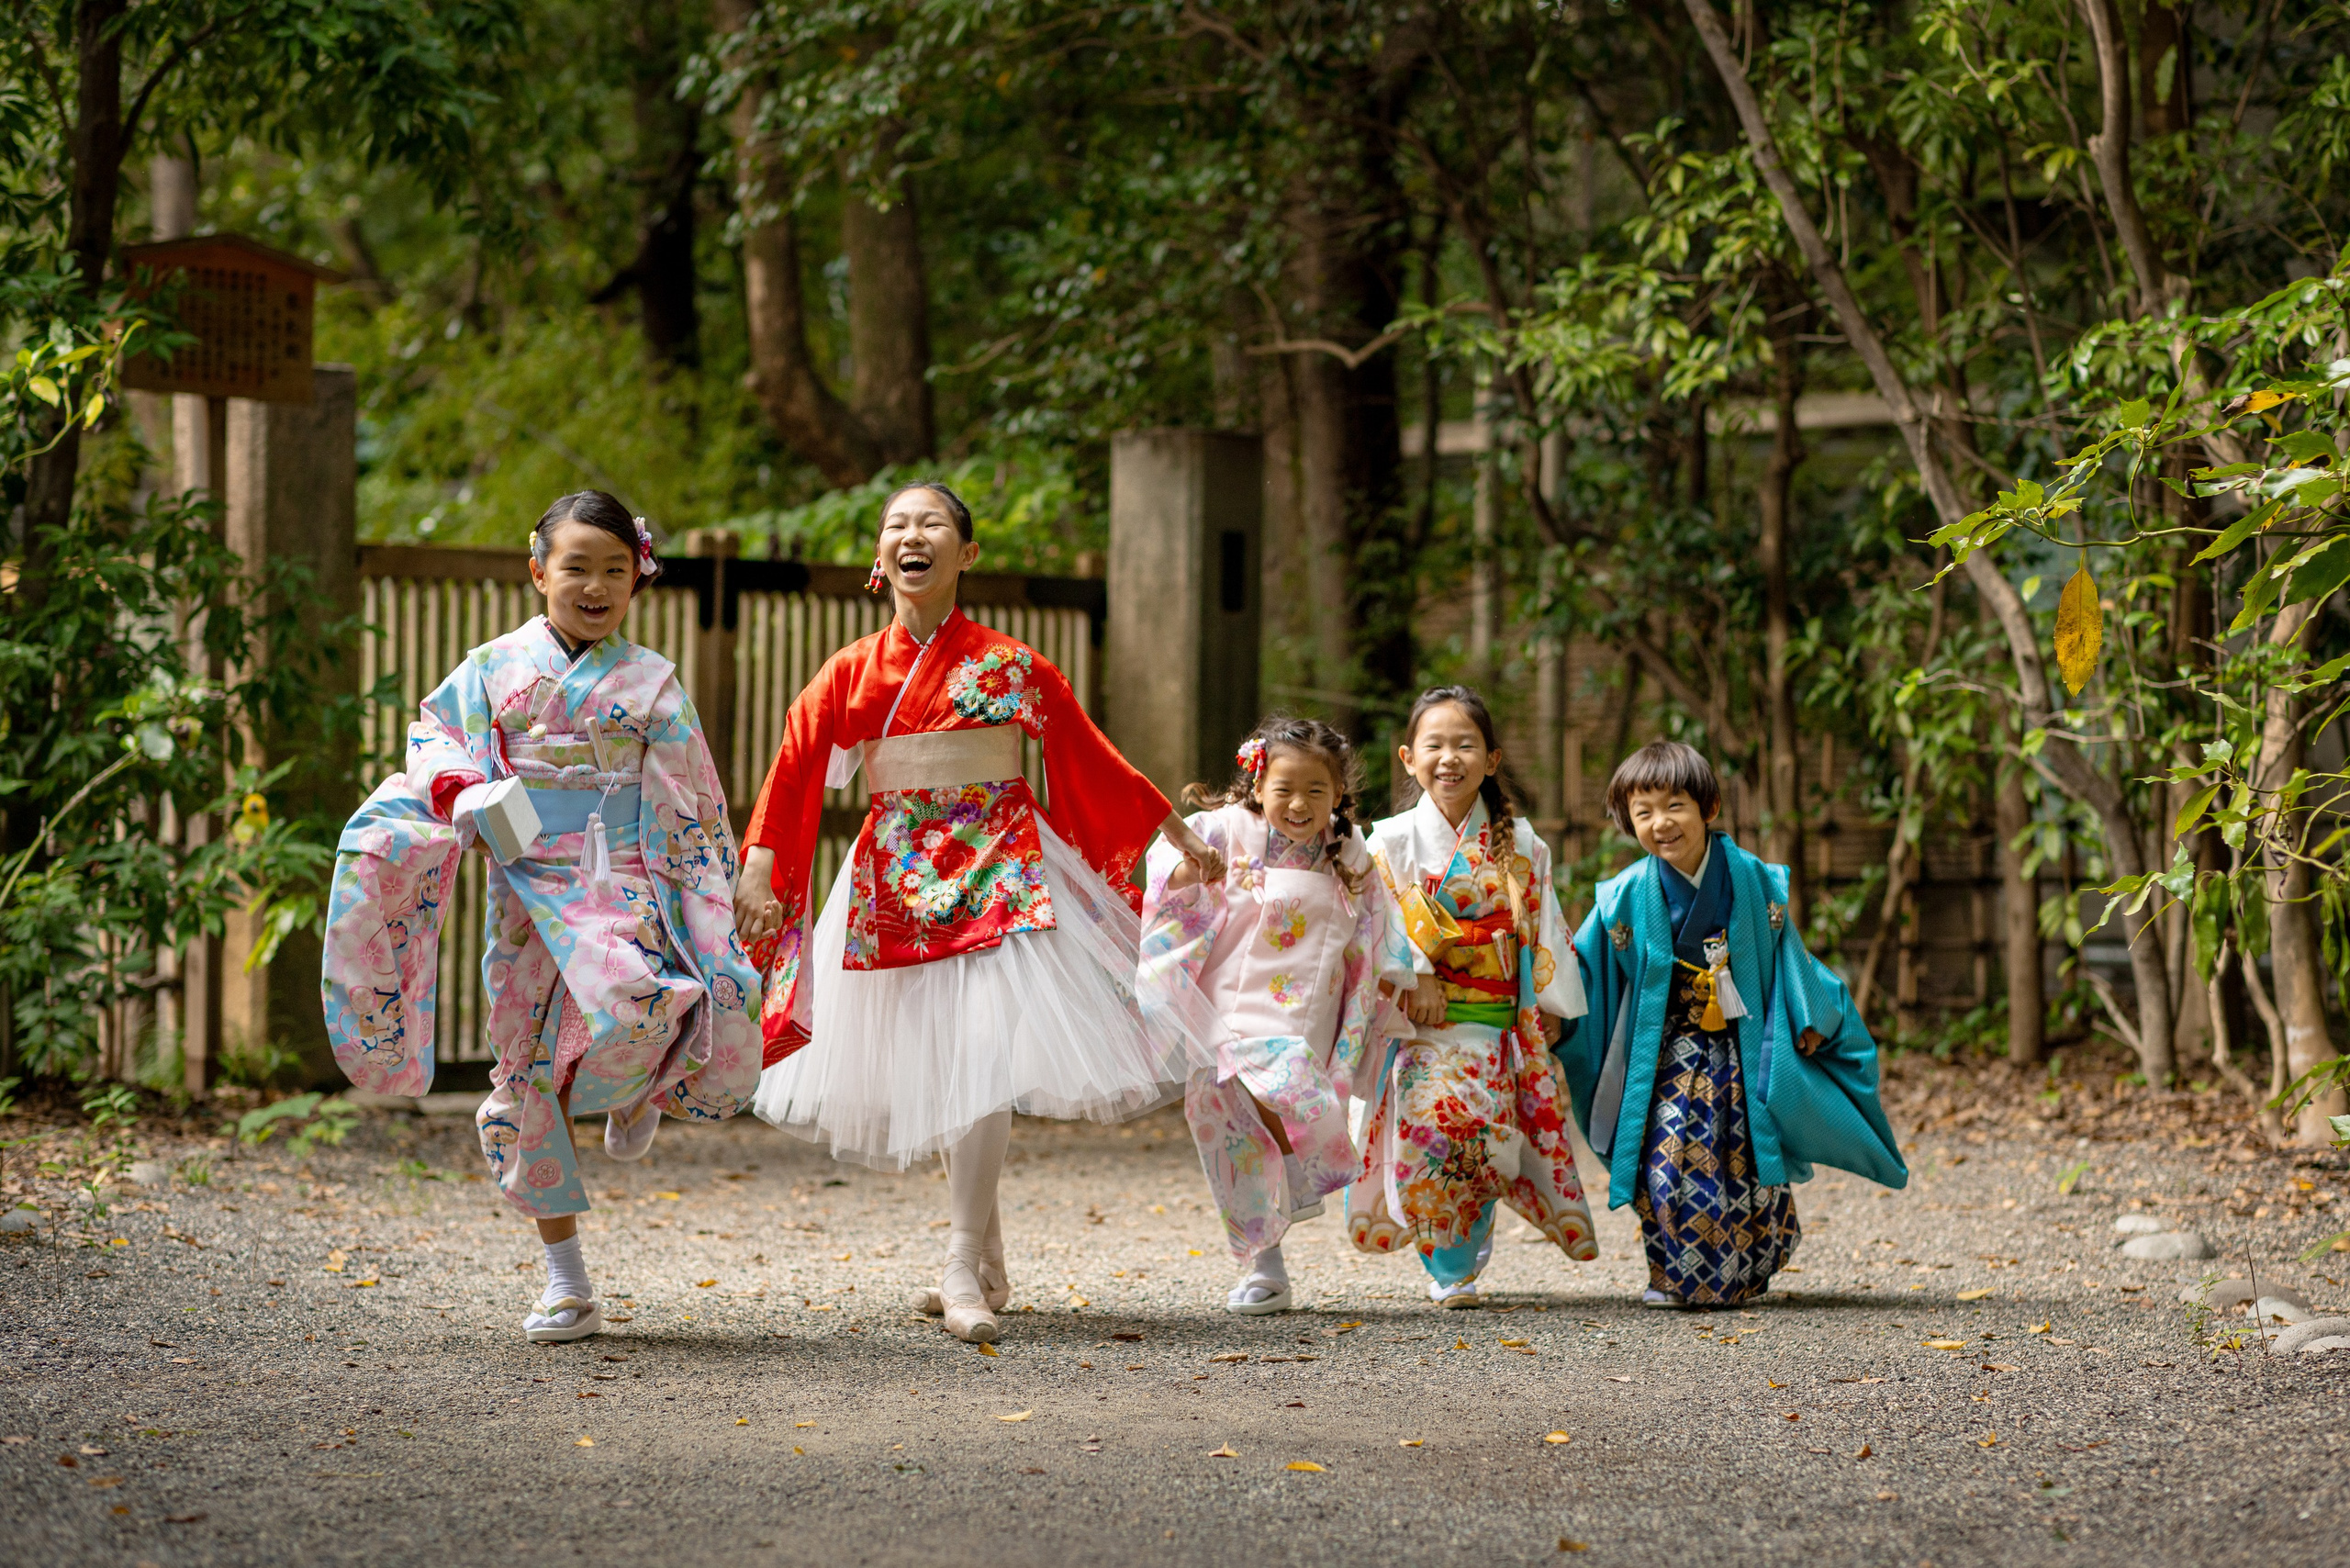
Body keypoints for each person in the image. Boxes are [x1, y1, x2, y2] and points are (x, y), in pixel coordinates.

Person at [733, 480, 1226, 1344]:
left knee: (982, 1049)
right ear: (880, 560)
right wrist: (762, 867)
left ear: (967, 554)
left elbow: (1087, 755)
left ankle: (961, 1259)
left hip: (1002, 864)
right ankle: (987, 1256)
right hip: (895, 876)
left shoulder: (1013, 663)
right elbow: (795, 764)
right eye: (895, 525)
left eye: (931, 525)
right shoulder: (848, 670)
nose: (910, 535)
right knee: (944, 1056)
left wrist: (1173, 829)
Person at [322, 490, 764, 1344]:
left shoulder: (653, 682)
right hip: (527, 880)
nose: (595, 586)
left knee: (644, 995)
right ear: (538, 572)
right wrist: (465, 790)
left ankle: (634, 1090)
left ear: (637, 578)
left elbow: (693, 794)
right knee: (526, 1068)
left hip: (624, 875)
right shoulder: (492, 667)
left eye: (615, 570)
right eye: (577, 568)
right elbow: (434, 738)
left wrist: (704, 892)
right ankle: (568, 1283)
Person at [1557, 740, 1907, 1310]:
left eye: (1674, 806)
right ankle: (1673, 1273)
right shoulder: (1623, 896)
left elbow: (1790, 956)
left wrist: (1808, 1016)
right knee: (1663, 1158)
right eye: (1643, 813)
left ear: (1709, 807)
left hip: (1745, 1046)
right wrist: (1555, 1013)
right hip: (1666, 1050)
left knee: (1740, 1159)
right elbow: (1587, 968)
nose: (1660, 823)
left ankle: (1742, 1270)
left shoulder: (1753, 880)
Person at [1138, 717, 1415, 1315]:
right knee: (1223, 1120)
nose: (1298, 803)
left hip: (1304, 1007)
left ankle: (1297, 1173)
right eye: (1285, 787)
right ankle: (1267, 1262)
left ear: (1339, 795)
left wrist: (1398, 976)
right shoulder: (1227, 830)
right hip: (1228, 999)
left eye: (1316, 791)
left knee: (1288, 1084)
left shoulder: (1346, 848)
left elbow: (1377, 919)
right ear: (1258, 783)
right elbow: (1171, 871)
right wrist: (1192, 871)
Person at [1347, 686, 1598, 1308]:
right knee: (1433, 1132)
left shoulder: (1522, 845)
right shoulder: (1391, 842)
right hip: (1422, 1026)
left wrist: (1545, 1008)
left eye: (1465, 744)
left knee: (1489, 1137)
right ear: (1408, 757)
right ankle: (1451, 1266)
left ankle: (1466, 1243)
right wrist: (1416, 975)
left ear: (1492, 758)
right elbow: (1369, 927)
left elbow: (1542, 930)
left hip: (1493, 1026)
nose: (1449, 757)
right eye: (1434, 744)